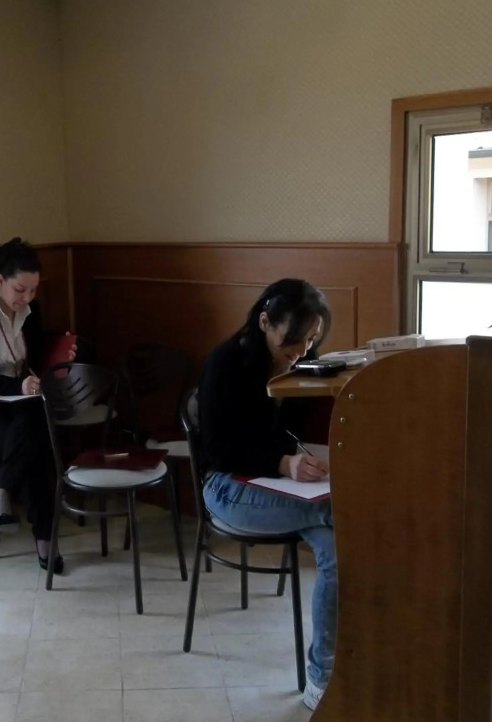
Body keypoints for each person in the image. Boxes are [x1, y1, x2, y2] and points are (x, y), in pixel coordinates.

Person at [197, 278, 335, 710]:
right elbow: (218, 450)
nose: (301, 351)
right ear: (264, 323)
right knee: (342, 510)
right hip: (226, 486)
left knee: (337, 548)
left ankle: (323, 676)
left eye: (311, 340)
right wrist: (281, 463)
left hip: (280, 487)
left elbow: (287, 432)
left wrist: (298, 455)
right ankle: (327, 675)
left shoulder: (299, 364)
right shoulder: (225, 363)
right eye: (293, 341)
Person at [0, 238, 72, 573]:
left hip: (21, 405)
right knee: (33, 445)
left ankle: (3, 491)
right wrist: (16, 386)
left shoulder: (32, 313)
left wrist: (60, 352)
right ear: (0, 281)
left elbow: (36, 357)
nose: (27, 298)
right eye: (20, 290)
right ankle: (45, 539)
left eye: (33, 290)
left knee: (31, 426)